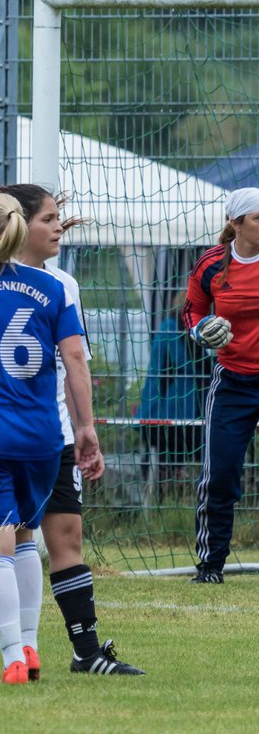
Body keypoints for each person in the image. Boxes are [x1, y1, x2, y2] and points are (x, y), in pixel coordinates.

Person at [0, 185, 144, 678]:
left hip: (30, 434)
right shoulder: (51, 290)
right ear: (20, 226)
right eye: (49, 218)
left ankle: (45, 653)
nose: (58, 226)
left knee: (39, 539)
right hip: (36, 434)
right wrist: (88, 426)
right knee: (11, 539)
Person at [182, 187, 259, 585]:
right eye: (258, 218)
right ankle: (210, 565)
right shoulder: (212, 264)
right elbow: (191, 308)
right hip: (233, 382)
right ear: (236, 223)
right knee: (220, 475)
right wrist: (199, 331)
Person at [138, 305, 208, 490]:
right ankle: (165, 486)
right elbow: (185, 365)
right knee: (167, 452)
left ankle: (173, 485)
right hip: (167, 411)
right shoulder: (171, 328)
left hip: (183, 411)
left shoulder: (186, 330)